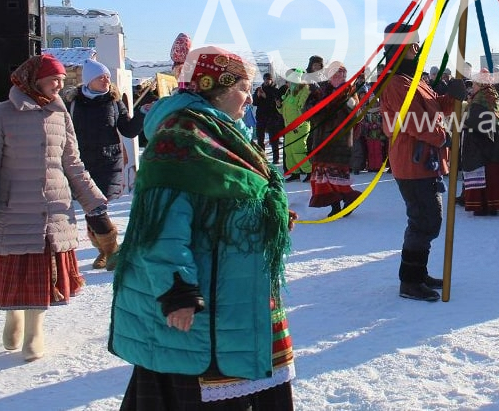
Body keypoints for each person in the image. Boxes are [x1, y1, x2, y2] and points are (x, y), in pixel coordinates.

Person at [109, 47, 295, 409]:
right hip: (203, 303)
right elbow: (161, 227)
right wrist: (178, 291)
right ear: (220, 88)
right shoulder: (182, 136)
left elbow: (234, 194)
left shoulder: (223, 130)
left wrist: (266, 217)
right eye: (244, 86)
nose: (250, 95)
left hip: (237, 292)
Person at [0, 54, 113, 362]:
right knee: (16, 270)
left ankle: (35, 330)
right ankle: (14, 317)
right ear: (34, 80)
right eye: (54, 80)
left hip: (53, 207)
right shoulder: (1, 114)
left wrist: (94, 202)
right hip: (14, 207)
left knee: (41, 272)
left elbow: (73, 163)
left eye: (62, 80)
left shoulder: (60, 114)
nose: (59, 86)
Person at [380, 23, 466, 302]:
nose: (417, 48)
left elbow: (434, 106)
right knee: (424, 220)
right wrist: (443, 138)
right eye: (412, 44)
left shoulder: (414, 80)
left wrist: (453, 95)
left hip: (424, 163)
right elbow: (415, 121)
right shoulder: (395, 83)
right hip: (412, 162)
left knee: (428, 220)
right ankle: (410, 281)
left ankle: (419, 273)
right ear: (400, 48)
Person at [68, 58, 145, 269]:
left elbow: (128, 130)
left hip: (109, 161)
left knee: (96, 206)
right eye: (101, 77)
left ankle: (110, 251)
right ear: (89, 80)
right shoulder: (73, 104)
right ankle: (106, 251)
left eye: (107, 77)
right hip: (81, 162)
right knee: (90, 207)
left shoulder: (113, 102)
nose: (106, 80)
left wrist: (141, 114)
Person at [460, 70, 499, 215]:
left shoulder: (481, 98)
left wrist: (463, 120)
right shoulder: (491, 95)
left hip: (483, 146)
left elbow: (478, 121)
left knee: (485, 175)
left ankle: (484, 205)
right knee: (492, 175)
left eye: (474, 84)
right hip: (494, 144)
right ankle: (492, 203)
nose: (472, 87)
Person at [305, 65, 361, 216]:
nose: (337, 77)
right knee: (323, 178)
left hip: (339, 142)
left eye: (340, 74)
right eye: (333, 74)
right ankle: (334, 205)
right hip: (321, 141)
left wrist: (349, 105)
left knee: (336, 176)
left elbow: (356, 115)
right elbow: (308, 112)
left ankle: (350, 199)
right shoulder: (321, 91)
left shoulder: (349, 92)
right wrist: (318, 105)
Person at [279, 68, 312, 182]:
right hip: (288, 127)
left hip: (299, 126)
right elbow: (283, 110)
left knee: (298, 149)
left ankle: (310, 171)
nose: (288, 81)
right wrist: (279, 105)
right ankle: (295, 173)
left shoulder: (305, 90)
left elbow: (303, 109)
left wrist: (299, 124)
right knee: (289, 151)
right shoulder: (289, 92)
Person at [253, 73, 286, 167]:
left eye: (269, 79)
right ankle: (261, 157)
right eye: (265, 79)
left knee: (274, 139)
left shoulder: (276, 90)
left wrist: (266, 97)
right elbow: (255, 103)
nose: (267, 81)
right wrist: (258, 96)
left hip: (272, 117)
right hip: (261, 116)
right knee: (260, 139)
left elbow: (276, 103)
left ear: (272, 80)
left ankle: (275, 159)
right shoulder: (259, 89)